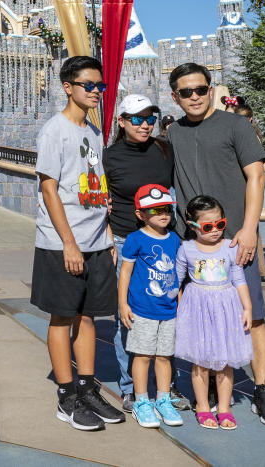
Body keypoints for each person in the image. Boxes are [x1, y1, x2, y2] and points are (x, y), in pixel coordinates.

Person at [165, 62, 265, 426]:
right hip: (195, 247)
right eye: (186, 92)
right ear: (175, 96)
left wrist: (248, 229)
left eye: (201, 89)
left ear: (211, 89)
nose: (195, 97)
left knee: (253, 317)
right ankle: (215, 388)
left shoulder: (235, 125)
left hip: (234, 243)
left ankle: (262, 389)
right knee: (203, 318)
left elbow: (257, 176)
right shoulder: (172, 134)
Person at [32, 55, 125, 433]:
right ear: (68, 86)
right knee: (63, 315)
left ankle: (87, 388)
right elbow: (49, 188)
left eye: (100, 87)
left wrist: (104, 234)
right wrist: (69, 243)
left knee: (88, 316)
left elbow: (95, 185)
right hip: (61, 242)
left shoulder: (93, 131)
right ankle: (66, 395)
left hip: (95, 238)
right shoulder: (55, 130)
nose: (97, 93)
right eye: (90, 85)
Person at [102, 94, 188, 413]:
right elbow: (102, 202)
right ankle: (131, 388)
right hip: (128, 242)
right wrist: (110, 240)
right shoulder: (108, 157)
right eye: (136, 118)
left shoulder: (163, 149)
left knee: (168, 311)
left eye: (150, 118)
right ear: (121, 121)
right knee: (129, 316)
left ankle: (168, 386)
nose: (145, 124)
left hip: (165, 242)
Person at [175, 195, 254, 430]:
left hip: (226, 310)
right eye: (208, 227)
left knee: (225, 362)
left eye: (220, 224)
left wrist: (247, 307)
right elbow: (177, 281)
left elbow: (239, 279)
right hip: (197, 309)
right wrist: (177, 307)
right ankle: (202, 405)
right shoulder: (187, 249)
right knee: (200, 362)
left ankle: (224, 408)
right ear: (192, 226)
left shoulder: (231, 248)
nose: (216, 231)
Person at [117, 184, 184, 429]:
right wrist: (122, 303)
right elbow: (125, 272)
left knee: (165, 357)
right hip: (142, 310)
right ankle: (142, 402)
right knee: (143, 356)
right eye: (155, 210)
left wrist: (179, 302)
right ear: (141, 214)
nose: (163, 213)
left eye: (166, 208)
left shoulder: (174, 239)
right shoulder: (135, 239)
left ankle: (163, 399)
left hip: (168, 311)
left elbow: (178, 275)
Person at [233, 103, 265, 283]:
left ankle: (259, 269)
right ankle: (259, 269)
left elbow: (263, 165)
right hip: (243, 184)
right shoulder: (247, 132)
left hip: (250, 184)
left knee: (252, 227)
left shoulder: (250, 135)